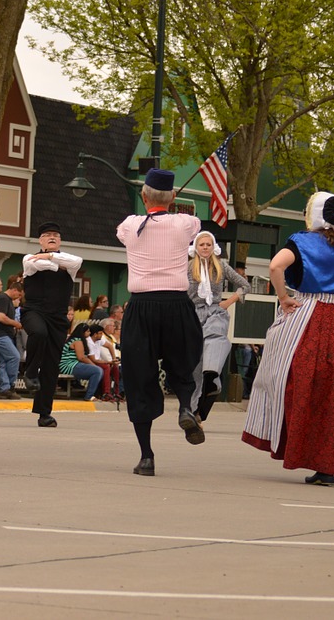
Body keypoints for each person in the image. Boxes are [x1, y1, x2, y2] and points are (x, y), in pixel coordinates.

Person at [243, 191, 334, 487]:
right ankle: (325, 468)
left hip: (304, 314)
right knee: (329, 393)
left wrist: (283, 297)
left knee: (283, 378)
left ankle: (285, 444)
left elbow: (275, 266)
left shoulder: (301, 241)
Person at [115, 168, 206, 476]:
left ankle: (147, 456)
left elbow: (124, 233)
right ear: (174, 197)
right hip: (176, 303)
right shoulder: (185, 223)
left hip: (141, 306)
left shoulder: (130, 225)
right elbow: (195, 223)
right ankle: (184, 406)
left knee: (140, 376)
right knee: (183, 360)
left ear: (143, 196)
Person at [21, 222, 83, 428]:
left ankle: (44, 413)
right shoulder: (28, 259)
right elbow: (38, 265)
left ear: (60, 240)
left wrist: (49, 256)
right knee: (38, 333)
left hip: (58, 317)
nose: (52, 237)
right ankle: (30, 372)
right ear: (40, 240)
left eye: (56, 235)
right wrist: (53, 260)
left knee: (51, 366)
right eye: (47, 235)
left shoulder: (68, 261)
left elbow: (77, 260)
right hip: (34, 310)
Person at [186, 230, 251, 420]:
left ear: (213, 247)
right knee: (195, 366)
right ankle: (194, 412)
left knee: (214, 346)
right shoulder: (188, 267)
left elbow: (244, 285)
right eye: (201, 245)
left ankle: (212, 378)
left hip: (215, 311)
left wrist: (228, 302)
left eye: (208, 244)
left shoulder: (221, 265)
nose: (205, 247)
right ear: (196, 248)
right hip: (193, 315)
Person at [0, 276, 23, 399]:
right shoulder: (3, 299)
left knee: (3, 362)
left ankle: (5, 388)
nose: (18, 297)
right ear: (13, 290)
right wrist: (16, 324)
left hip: (2, 335)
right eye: (18, 294)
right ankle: (11, 384)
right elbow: (1, 317)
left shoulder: (7, 300)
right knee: (14, 356)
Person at [60, 322, 104, 400]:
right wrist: (93, 365)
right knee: (97, 371)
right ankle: (89, 395)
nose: (89, 333)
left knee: (98, 370)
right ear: (83, 332)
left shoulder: (76, 340)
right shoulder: (77, 341)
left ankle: (92, 393)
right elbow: (81, 358)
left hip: (73, 364)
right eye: (88, 331)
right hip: (69, 365)